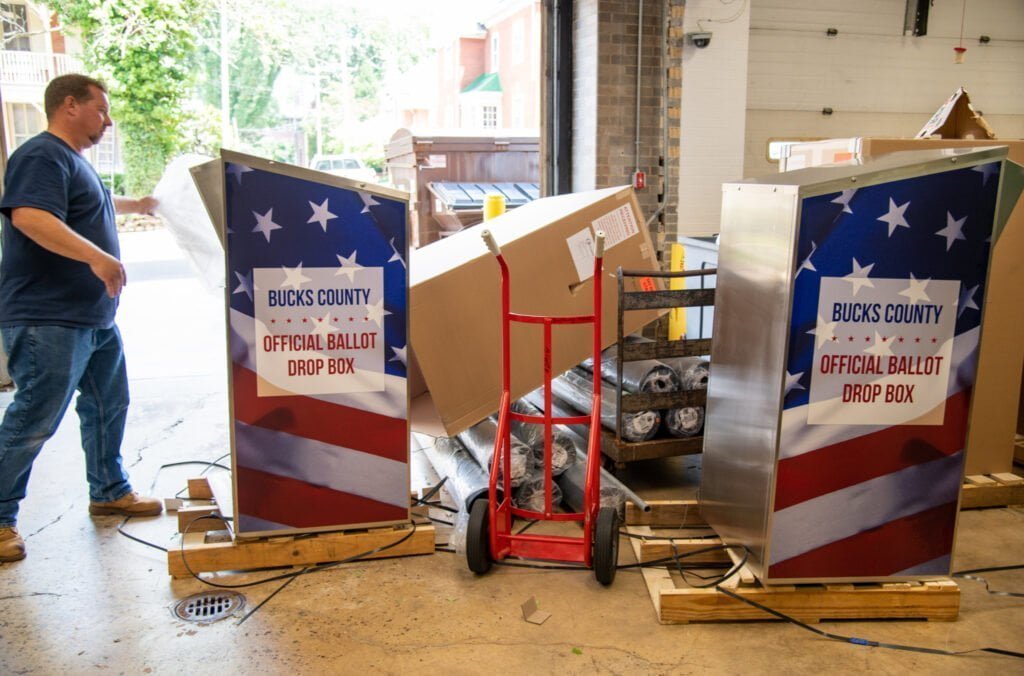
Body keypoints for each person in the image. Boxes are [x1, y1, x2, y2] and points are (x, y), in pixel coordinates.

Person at [0, 74, 162, 563]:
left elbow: (90, 206)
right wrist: (98, 258)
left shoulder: (73, 162)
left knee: (107, 404)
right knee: (34, 418)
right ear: (69, 105)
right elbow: (30, 215)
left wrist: (141, 205)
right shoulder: (41, 154)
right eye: (101, 109)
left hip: (92, 316)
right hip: (49, 316)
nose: (108, 120)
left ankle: (109, 489)